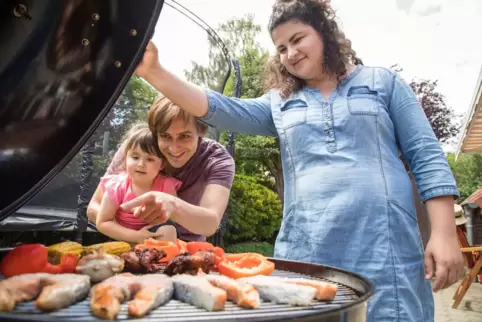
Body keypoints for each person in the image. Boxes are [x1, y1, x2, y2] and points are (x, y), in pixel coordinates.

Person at [130, 0, 465, 321]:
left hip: (384, 250)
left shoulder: (382, 83)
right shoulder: (280, 103)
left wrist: (445, 233)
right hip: (310, 251)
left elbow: (426, 155)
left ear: (323, 31)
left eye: (297, 39)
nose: (290, 53)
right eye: (280, 48)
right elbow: (220, 108)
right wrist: (154, 72)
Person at [87, 96, 235, 242]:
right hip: (127, 239)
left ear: (200, 131)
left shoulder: (217, 160)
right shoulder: (136, 148)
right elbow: (94, 208)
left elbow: (210, 223)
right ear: (155, 133)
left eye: (184, 136)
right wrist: (132, 234)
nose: (174, 148)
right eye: (165, 136)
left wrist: (172, 205)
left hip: (187, 244)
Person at [95, 123, 180, 244]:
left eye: (149, 159)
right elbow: (103, 222)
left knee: (168, 228)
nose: (141, 164)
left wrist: (154, 210)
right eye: (135, 157)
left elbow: (174, 214)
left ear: (162, 164)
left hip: (153, 235)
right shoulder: (116, 186)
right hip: (123, 235)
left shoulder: (166, 185)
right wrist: (135, 236)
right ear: (125, 158)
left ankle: (162, 259)